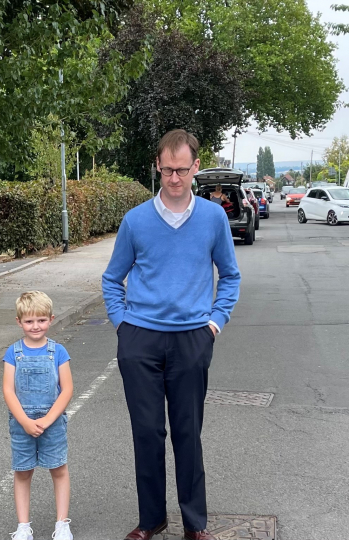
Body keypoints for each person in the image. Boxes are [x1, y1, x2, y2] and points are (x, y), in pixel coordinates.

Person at [102, 129, 241, 540]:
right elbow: (112, 280)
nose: (175, 177)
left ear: (196, 167)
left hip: (191, 340)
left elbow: (230, 276)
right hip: (140, 339)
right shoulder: (136, 220)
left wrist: (214, 322)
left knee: (187, 433)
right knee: (147, 432)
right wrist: (123, 326)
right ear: (157, 168)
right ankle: (151, 520)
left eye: (182, 169)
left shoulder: (214, 218)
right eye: (167, 170)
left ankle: (194, 524)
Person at [2, 291, 74, 540]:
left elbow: (67, 390)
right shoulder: (13, 353)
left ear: (51, 319)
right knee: (22, 472)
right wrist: (24, 420)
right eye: (29, 321)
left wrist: (47, 419)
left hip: (52, 423)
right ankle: (23, 526)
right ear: (19, 322)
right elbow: (8, 390)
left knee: (59, 469)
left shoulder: (59, 352)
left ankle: (62, 524)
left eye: (41, 320)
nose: (36, 326)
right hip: (22, 423)